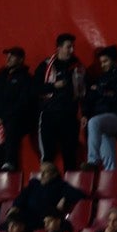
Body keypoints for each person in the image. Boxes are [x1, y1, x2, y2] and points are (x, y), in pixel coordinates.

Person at [35, 33, 85, 168]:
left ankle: (70, 187)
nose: (72, 50)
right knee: (47, 157)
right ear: (59, 48)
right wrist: (53, 86)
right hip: (49, 116)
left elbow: (83, 93)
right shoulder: (46, 66)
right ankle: (47, 188)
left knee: (70, 157)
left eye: (73, 47)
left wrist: (84, 114)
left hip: (69, 116)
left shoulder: (77, 67)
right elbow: (35, 88)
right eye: (68, 47)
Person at [82, 45, 117, 171]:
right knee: (109, 161)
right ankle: (112, 182)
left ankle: (93, 161)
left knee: (94, 122)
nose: (103, 65)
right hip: (104, 121)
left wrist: (101, 91)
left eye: (105, 61)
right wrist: (84, 114)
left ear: (114, 60)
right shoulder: (101, 78)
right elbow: (90, 98)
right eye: (101, 62)